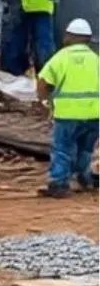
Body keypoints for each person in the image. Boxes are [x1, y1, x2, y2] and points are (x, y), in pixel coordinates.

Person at [36, 19, 99, 197]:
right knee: (85, 149)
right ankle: (84, 178)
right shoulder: (96, 60)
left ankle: (59, 184)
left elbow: (43, 82)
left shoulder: (61, 58)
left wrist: (44, 100)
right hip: (94, 114)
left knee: (62, 149)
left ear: (70, 37)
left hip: (67, 114)